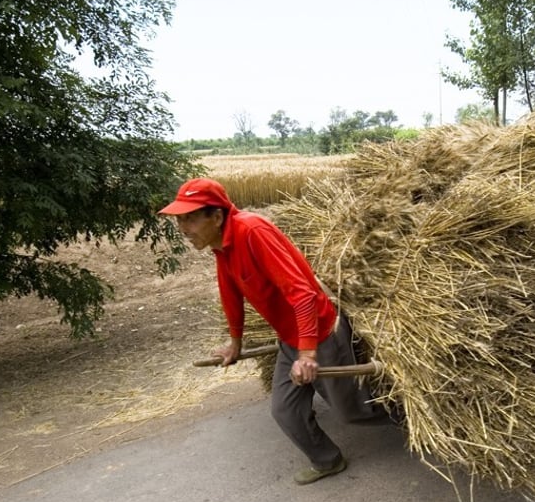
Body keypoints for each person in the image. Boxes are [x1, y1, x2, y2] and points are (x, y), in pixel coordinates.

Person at [158, 177, 389, 484]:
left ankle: (414, 419)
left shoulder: (252, 232)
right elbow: (231, 293)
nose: (183, 229)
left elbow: (303, 294)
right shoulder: (221, 246)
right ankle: (328, 460)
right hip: (290, 339)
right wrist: (235, 344)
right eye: (179, 220)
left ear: (216, 216)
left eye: (190, 219)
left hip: (320, 333)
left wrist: (307, 354)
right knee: (285, 411)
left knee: (352, 413)